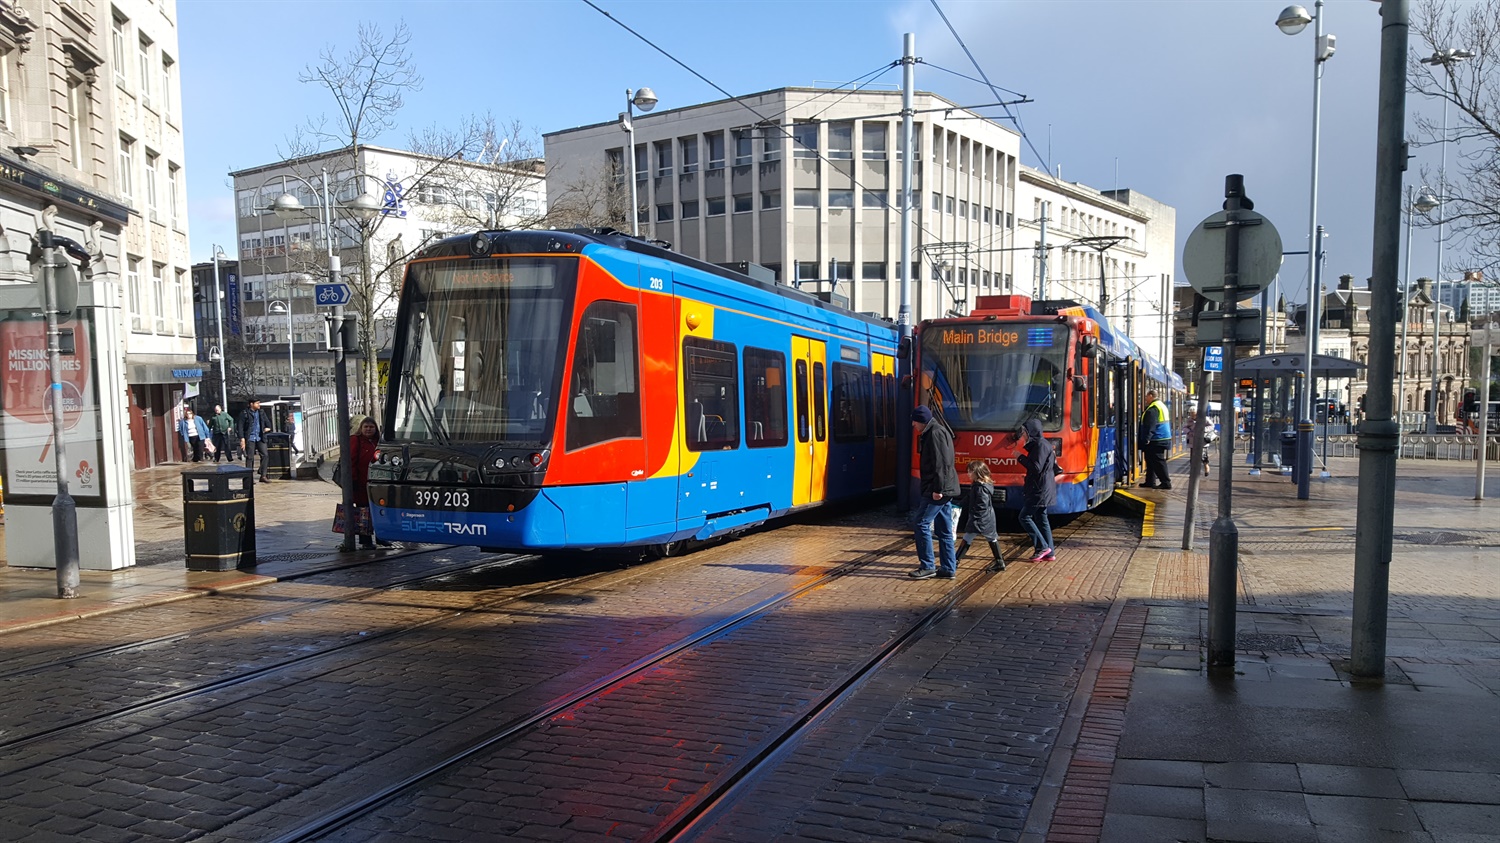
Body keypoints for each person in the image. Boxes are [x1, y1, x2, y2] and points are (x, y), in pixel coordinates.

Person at [909, 405, 960, 580]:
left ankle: (928, 566)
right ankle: (948, 567)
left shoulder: (935, 433)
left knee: (921, 523)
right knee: (944, 529)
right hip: (943, 488)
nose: (914, 424)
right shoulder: (936, 431)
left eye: (915, 421)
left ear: (922, 421)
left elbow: (941, 464)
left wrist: (938, 489)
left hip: (936, 489)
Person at [344, 416, 393, 551]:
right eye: (366, 427)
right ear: (361, 428)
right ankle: (366, 541)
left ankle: (381, 537)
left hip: (378, 482)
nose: (368, 429)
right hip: (361, 483)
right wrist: (352, 480)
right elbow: (351, 461)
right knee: (363, 512)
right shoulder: (356, 440)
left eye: (371, 427)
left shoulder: (379, 442)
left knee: (380, 510)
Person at [1016, 418, 1057, 562]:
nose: (1022, 435)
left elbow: (1036, 467)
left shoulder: (1040, 445)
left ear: (1031, 432)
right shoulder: (1044, 444)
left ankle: (1042, 547)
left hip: (1038, 488)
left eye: (1024, 432)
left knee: (1024, 517)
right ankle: (1050, 552)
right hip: (1043, 487)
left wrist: (1020, 458)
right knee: (1041, 518)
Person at [956, 460, 1005, 572]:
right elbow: (969, 498)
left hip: (980, 519)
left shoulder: (980, 488)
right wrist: (958, 504)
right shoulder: (980, 486)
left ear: (976, 472)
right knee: (991, 538)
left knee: (967, 538)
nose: (968, 474)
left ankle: (955, 561)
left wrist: (975, 516)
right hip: (987, 518)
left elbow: (981, 504)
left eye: (970, 471)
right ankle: (999, 562)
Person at [1137, 389, 1173, 490]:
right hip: (1161, 437)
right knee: (1150, 460)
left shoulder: (1153, 408)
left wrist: (1147, 438)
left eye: (1146, 396)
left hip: (1157, 438)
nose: (1145, 399)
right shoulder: (1161, 405)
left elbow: (1150, 425)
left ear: (1151, 396)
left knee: (1158, 461)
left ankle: (1166, 482)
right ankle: (1150, 481)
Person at [239, 399, 271, 483]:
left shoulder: (261, 412)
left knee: (265, 455)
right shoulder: (244, 413)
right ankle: (249, 478)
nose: (259, 404)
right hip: (250, 437)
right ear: (251, 404)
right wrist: (242, 438)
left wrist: (267, 428)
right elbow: (240, 427)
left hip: (260, 437)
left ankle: (263, 475)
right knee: (250, 458)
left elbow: (268, 423)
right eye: (257, 403)